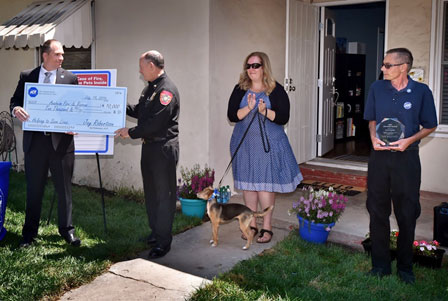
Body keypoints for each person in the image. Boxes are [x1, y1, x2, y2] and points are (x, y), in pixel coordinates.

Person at [364, 48, 438, 284]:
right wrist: (374, 137)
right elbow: (372, 119)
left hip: (407, 159)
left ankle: (406, 268)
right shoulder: (376, 88)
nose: (382, 69)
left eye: (387, 65)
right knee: (377, 211)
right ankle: (380, 266)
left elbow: (430, 125)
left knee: (407, 213)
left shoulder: (421, 92)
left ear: (404, 67)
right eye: (383, 64)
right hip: (379, 159)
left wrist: (409, 140)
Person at [10, 39, 81, 248]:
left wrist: (74, 123)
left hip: (62, 145)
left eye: (62, 55)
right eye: (58, 54)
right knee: (34, 191)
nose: (62, 58)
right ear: (45, 55)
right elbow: (15, 100)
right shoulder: (27, 76)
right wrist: (16, 110)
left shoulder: (70, 78)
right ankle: (29, 234)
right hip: (36, 144)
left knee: (64, 190)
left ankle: (67, 231)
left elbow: (77, 108)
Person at [227, 51, 303, 243]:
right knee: (248, 185)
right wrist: (249, 108)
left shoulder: (276, 90)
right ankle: (252, 224)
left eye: (256, 65)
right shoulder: (240, 89)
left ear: (264, 68)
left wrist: (264, 111)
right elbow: (232, 115)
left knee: (265, 186)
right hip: (245, 145)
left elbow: (284, 117)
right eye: (249, 65)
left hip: (268, 146)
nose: (251, 69)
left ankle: (267, 227)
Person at [115, 50, 179, 259]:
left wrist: (130, 132)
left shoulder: (166, 90)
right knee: (151, 193)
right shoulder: (150, 89)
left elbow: (156, 123)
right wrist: (116, 105)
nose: (140, 71)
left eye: (142, 67)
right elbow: (140, 111)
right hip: (149, 148)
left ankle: (163, 242)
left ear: (152, 66)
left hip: (162, 148)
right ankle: (156, 232)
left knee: (163, 196)